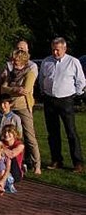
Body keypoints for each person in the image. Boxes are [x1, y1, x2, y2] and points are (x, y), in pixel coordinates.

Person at [39, 37, 85, 173]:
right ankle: (56, 160)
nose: (55, 52)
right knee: (52, 132)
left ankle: (77, 162)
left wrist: (74, 94)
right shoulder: (46, 61)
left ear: (64, 49)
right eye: (53, 49)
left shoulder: (73, 62)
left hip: (66, 100)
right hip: (50, 100)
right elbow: (42, 78)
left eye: (57, 50)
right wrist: (44, 91)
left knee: (71, 131)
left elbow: (81, 81)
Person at [2, 49, 41, 174]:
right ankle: (14, 161)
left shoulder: (29, 72)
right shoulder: (11, 72)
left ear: (23, 61)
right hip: (10, 106)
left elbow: (26, 90)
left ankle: (37, 165)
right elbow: (3, 88)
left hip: (23, 106)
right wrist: (14, 89)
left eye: (16, 61)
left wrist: (11, 89)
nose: (14, 63)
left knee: (29, 136)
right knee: (9, 136)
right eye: (13, 61)